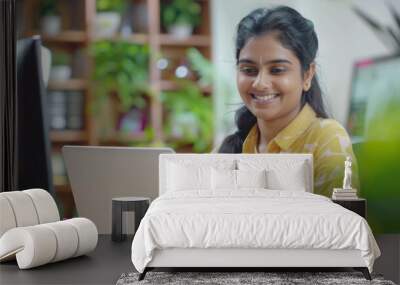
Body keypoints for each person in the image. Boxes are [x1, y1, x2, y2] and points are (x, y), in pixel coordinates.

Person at [218, 6, 359, 197]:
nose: (260, 83)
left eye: (277, 70)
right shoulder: (237, 144)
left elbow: (335, 225)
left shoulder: (327, 139)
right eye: (249, 70)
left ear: (307, 74)